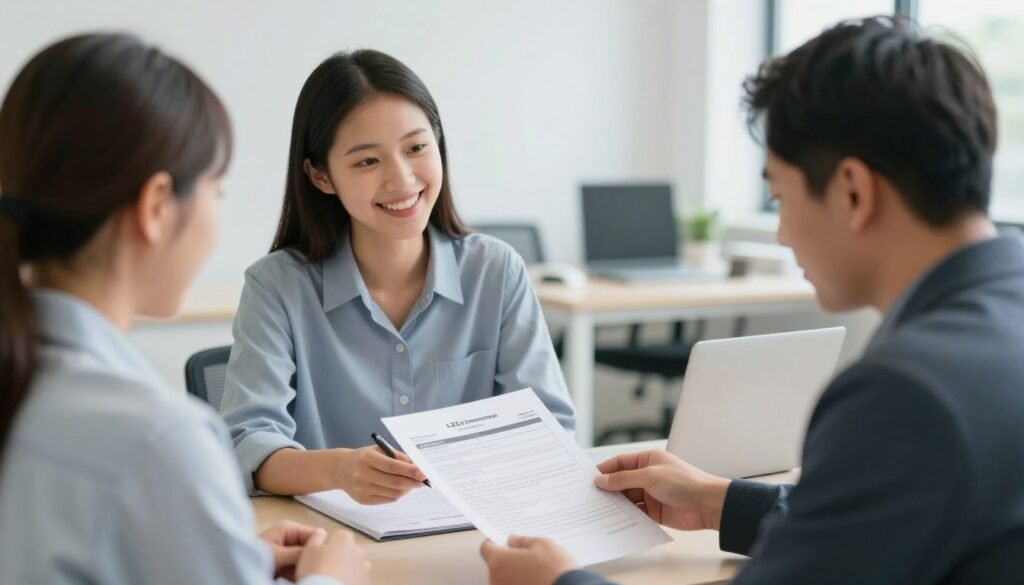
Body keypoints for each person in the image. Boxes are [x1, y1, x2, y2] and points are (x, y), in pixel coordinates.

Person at [481, 16, 1024, 585]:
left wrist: (557, 583)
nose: (784, 233)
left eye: (780, 196)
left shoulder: (904, 394)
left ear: (853, 192)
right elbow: (889, 522)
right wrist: (722, 502)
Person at [0, 33, 369, 585]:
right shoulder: (158, 438)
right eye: (215, 190)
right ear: (155, 207)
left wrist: (217, 553)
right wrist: (329, 579)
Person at [219, 49, 575, 503]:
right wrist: (342, 469)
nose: (402, 179)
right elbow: (247, 444)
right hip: (331, 546)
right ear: (321, 176)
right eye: (368, 161)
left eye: (416, 148)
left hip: (469, 538)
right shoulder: (277, 288)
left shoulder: (496, 271)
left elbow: (549, 428)